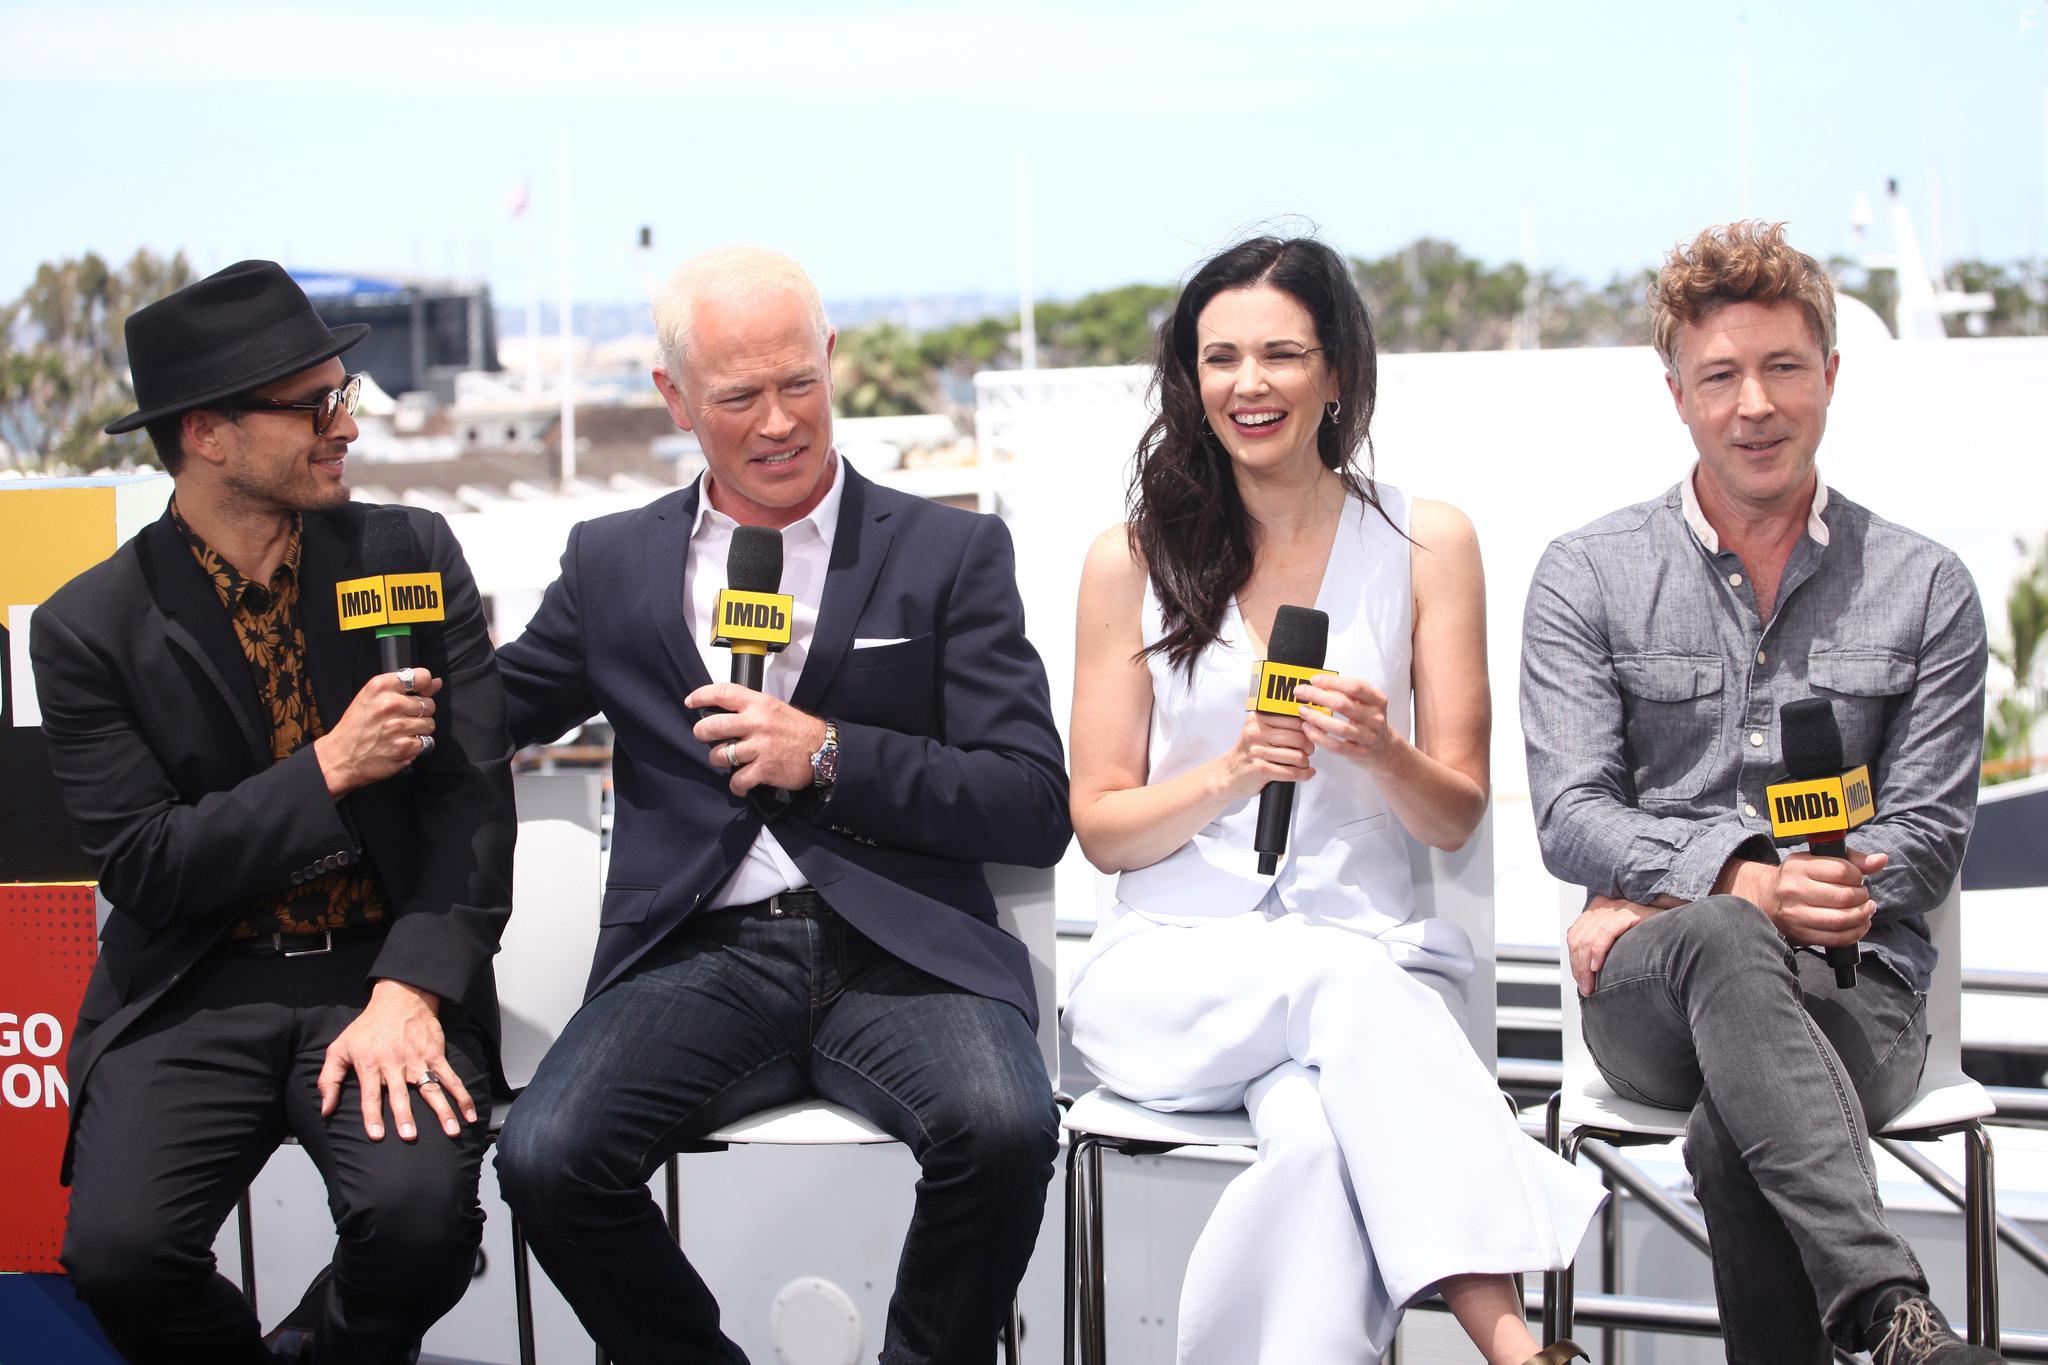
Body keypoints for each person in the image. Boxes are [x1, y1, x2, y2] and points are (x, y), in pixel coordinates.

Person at [491, 245, 1069, 1365]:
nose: (777, 422)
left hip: (906, 948)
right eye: (737, 396)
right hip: (695, 954)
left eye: (798, 382)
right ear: (674, 399)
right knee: (548, 1157)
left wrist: (830, 754)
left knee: (1006, 1129)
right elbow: (489, 714)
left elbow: (1032, 801)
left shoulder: (950, 551)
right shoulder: (610, 563)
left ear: (831, 359)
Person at [1062, 235, 1604, 1365]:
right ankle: (1515, 1345)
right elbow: (1101, 828)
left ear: (1337, 374)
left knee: (1315, 1149)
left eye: (1280, 354)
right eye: (1219, 358)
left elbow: (1452, 815)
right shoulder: (1131, 558)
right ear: (1191, 381)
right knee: (1336, 979)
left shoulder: (1427, 542)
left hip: (1360, 977)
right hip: (1172, 977)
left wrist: (1380, 749)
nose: (1247, 384)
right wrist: (1229, 772)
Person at [1521, 221, 1996, 1365]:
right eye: (1720, 376)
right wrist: (1738, 886)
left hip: (1856, 988)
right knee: (1728, 934)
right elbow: (1569, 813)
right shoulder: (1586, 576)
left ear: (1827, 374)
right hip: (1649, 995)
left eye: (1782, 367)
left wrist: (1687, 887)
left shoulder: (1925, 586)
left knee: (1737, 1130)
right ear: (1675, 396)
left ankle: (1893, 1325)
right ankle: (1891, 1316)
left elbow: (1927, 834)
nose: (1754, 405)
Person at [31, 260, 516, 1365]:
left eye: (342, 394)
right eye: (313, 406)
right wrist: (329, 767)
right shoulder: (88, 627)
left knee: (420, 1225)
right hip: (197, 983)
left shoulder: (408, 554)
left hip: (379, 969)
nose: (346, 425)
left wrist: (411, 989)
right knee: (118, 1255)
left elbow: (472, 804)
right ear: (206, 433)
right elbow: (149, 867)